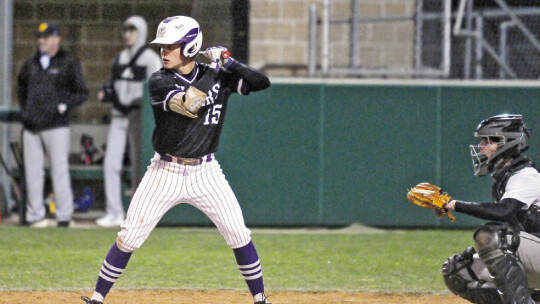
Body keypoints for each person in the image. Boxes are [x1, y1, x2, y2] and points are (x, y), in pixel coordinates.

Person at [81, 15, 271, 304]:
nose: (164, 51)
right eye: (163, 46)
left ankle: (260, 299)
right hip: (165, 171)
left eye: (172, 46)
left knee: (238, 232)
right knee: (129, 237)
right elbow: (190, 104)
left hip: (206, 172)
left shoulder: (219, 73)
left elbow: (262, 83)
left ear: (190, 47)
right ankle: (97, 298)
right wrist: (214, 70)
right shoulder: (160, 79)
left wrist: (229, 63)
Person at [441, 114, 540, 304]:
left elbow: (503, 211)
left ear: (506, 143)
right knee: (458, 271)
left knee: (492, 236)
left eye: (488, 140)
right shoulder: (508, 178)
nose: (481, 146)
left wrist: (455, 204)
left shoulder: (526, 176)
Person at [17, 22, 89, 227]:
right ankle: (35, 215)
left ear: (57, 38)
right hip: (31, 126)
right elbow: (21, 90)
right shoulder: (31, 63)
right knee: (33, 173)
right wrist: (26, 112)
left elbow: (82, 92)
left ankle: (64, 216)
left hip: (56, 126)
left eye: (46, 37)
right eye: (39, 37)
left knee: (59, 171)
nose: (41, 41)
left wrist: (64, 105)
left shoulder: (68, 62)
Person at [96, 15, 162, 228]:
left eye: (132, 30)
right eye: (125, 30)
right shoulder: (120, 58)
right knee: (111, 164)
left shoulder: (150, 59)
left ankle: (139, 213)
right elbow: (113, 84)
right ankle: (114, 211)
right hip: (118, 115)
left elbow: (158, 86)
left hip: (138, 116)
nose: (127, 35)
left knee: (138, 165)